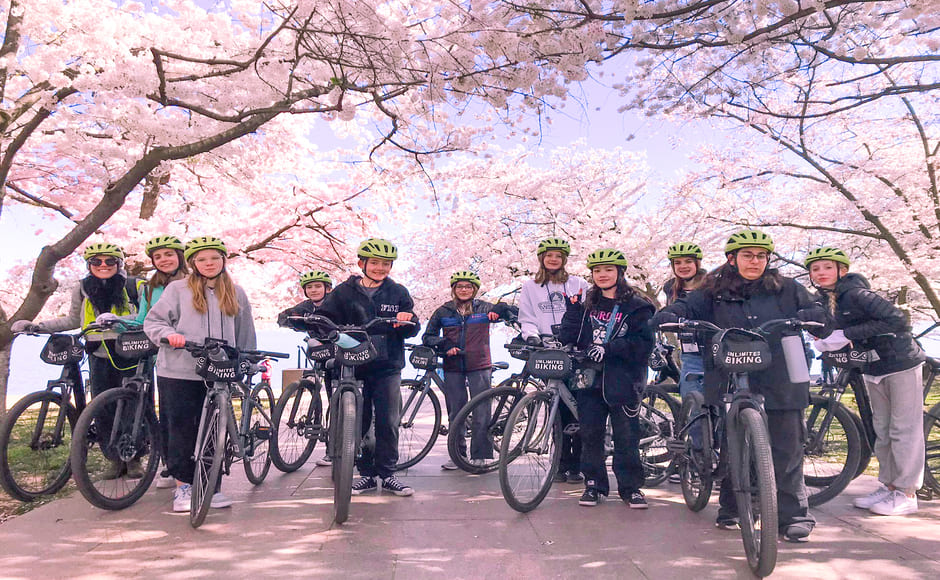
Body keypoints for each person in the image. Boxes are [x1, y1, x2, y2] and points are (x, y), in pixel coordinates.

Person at [653, 230, 824, 542]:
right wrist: (670, 314)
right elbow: (688, 306)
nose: (755, 261)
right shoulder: (712, 289)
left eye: (760, 256)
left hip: (780, 368)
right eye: (748, 255)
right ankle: (732, 506)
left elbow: (815, 309)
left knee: (787, 443)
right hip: (731, 367)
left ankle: (794, 516)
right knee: (733, 439)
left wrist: (810, 315)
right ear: (732, 259)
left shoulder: (787, 287)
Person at [806, 247, 925, 516]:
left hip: (900, 362)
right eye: (815, 269)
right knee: (881, 428)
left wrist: (846, 333)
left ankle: (907, 492)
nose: (821, 273)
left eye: (827, 267)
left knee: (903, 428)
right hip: (872, 365)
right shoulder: (826, 300)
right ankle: (890, 485)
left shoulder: (857, 294)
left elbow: (897, 320)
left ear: (842, 270)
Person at [12, 243, 144, 479]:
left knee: (130, 407)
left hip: (129, 351)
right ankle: (113, 458)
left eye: (109, 261)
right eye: (96, 262)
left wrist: (118, 320)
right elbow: (73, 319)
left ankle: (133, 458)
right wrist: (38, 326)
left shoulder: (134, 285)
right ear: (89, 265)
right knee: (102, 407)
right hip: (97, 353)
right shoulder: (83, 287)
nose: (103, 266)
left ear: (119, 264)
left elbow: (148, 316)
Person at [144, 236, 257, 512]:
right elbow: (154, 321)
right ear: (193, 262)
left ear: (223, 261)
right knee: (181, 429)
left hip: (219, 371)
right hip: (180, 370)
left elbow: (245, 331)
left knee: (216, 431)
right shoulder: (177, 288)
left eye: (214, 258)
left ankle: (211, 486)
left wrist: (248, 361)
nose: (209, 263)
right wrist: (169, 335)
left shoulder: (236, 291)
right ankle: (183, 487)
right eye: (202, 259)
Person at [316, 238, 420, 497]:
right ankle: (365, 474)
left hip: (387, 365)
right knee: (357, 421)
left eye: (385, 264)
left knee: (388, 420)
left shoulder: (398, 292)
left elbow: (413, 328)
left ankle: (388, 473)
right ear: (362, 263)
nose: (380, 268)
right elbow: (324, 320)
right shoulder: (343, 291)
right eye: (374, 263)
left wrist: (408, 320)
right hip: (353, 364)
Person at [560, 249, 655, 508]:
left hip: (623, 379)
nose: (602, 275)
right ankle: (594, 485)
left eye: (608, 270)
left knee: (626, 436)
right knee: (590, 434)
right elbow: (569, 337)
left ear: (620, 273)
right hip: (589, 380)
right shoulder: (587, 304)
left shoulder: (638, 305)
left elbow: (643, 343)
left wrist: (610, 348)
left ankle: (631, 488)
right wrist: (571, 311)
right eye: (597, 270)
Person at [422, 270, 515, 470]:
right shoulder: (443, 311)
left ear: (474, 290)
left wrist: (500, 308)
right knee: (456, 412)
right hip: (453, 365)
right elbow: (427, 336)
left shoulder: (483, 308)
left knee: (481, 411)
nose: (464, 290)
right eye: (460, 286)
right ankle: (457, 455)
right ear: (454, 289)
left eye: (468, 287)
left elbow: (509, 311)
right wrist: (445, 344)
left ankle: (480, 455)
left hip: (479, 364)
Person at [518, 237, 589, 483]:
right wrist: (532, 337)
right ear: (541, 259)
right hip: (548, 348)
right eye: (549, 255)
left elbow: (587, 313)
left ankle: (577, 465)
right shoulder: (529, 286)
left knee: (577, 405)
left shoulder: (578, 283)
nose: (553, 259)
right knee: (555, 407)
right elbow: (526, 317)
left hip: (575, 348)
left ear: (564, 260)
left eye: (558, 256)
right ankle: (559, 463)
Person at [132, 235, 189, 489]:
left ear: (180, 256)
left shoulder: (191, 282)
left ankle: (184, 467)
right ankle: (169, 465)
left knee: (179, 412)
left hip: (186, 354)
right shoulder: (148, 288)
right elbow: (144, 320)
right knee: (163, 412)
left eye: (169, 254)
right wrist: (117, 320)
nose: (164, 260)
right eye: (158, 256)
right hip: (158, 355)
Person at [277, 269, 335, 467]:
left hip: (337, 353)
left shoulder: (336, 303)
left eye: (318, 286)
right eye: (309, 287)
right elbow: (285, 316)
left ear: (327, 288)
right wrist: (292, 322)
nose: (314, 290)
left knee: (335, 397)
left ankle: (333, 449)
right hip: (316, 351)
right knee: (318, 388)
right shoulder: (305, 306)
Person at [663, 242, 708, 484]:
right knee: (693, 408)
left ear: (697, 264)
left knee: (720, 407)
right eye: (678, 263)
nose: (683, 267)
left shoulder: (712, 285)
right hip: (690, 353)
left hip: (714, 349)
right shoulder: (671, 288)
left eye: (688, 262)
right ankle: (696, 460)